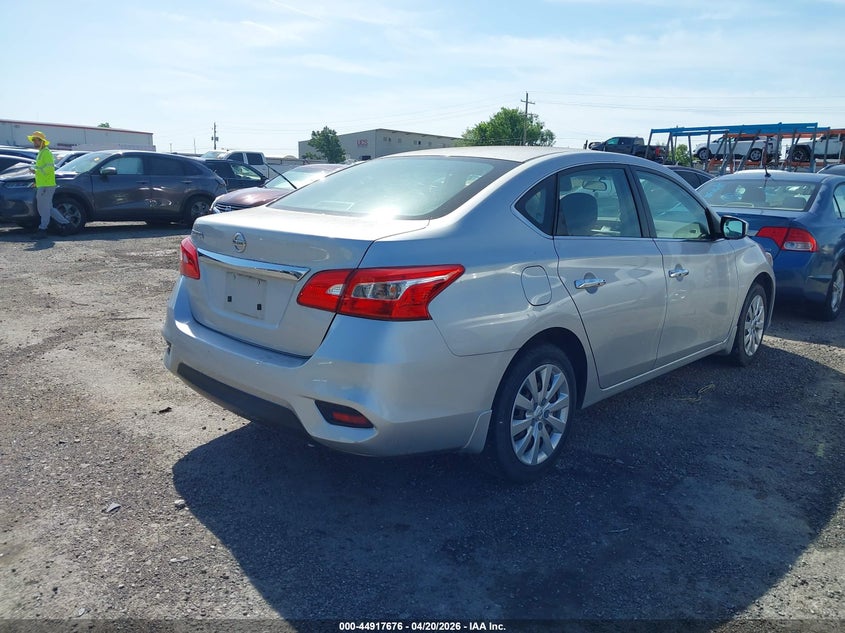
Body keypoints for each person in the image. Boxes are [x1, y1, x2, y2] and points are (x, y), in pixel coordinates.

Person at [28, 130, 69, 239]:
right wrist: (36, 182)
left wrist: (35, 171)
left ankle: (43, 229)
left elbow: (49, 169)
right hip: (44, 185)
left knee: (44, 209)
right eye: (33, 140)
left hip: (46, 185)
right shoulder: (42, 153)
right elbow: (44, 169)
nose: (33, 142)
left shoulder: (46, 153)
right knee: (48, 208)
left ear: (41, 141)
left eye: (35, 140)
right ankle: (65, 224)